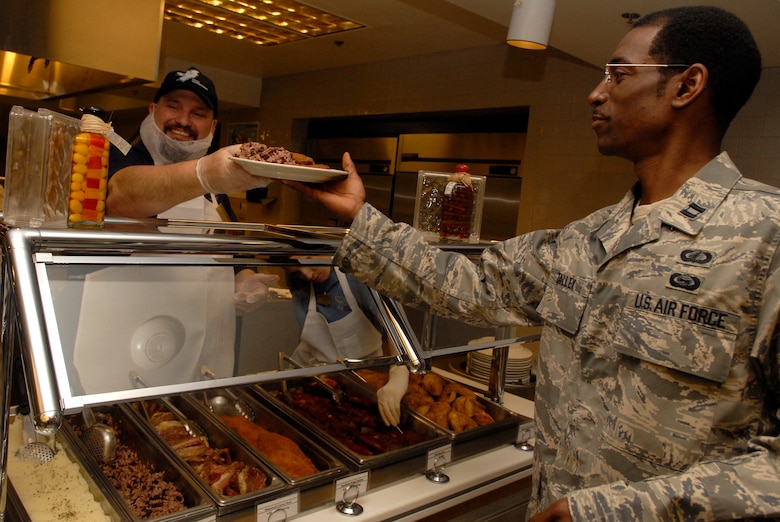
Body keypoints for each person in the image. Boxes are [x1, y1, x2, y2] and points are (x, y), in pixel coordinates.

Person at [284, 6, 780, 521]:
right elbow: (470, 285)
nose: (596, 91)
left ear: (687, 85)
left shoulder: (767, 239)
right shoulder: (588, 239)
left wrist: (611, 511)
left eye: (618, 73)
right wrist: (360, 218)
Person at [106, 67, 272, 221]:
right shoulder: (120, 157)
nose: (183, 121)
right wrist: (205, 173)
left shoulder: (218, 191)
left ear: (213, 127)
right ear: (152, 110)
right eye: (173, 107)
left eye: (198, 113)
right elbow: (119, 198)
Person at [283, 258, 410, 427]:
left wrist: (398, 374)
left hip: (362, 377)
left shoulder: (360, 271)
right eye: (296, 271)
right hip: (312, 375)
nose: (306, 275)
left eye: (308, 261)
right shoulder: (297, 280)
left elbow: (398, 329)